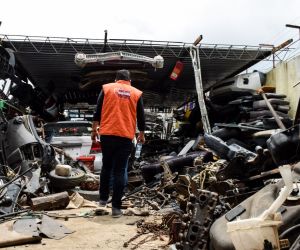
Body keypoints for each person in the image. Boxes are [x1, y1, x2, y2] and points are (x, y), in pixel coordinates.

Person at [91, 69, 145, 218]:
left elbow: (97, 111)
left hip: (107, 134)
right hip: (125, 136)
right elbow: (141, 115)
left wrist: (94, 130)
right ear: (130, 81)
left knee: (106, 167)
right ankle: (116, 208)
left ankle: (102, 202)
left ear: (116, 79)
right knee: (120, 170)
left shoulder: (107, 88)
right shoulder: (136, 93)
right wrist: (141, 133)